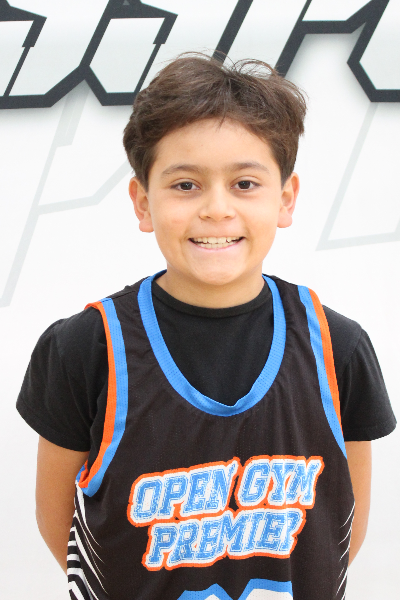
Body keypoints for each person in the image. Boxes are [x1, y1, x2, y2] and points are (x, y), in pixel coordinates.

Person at [17, 53, 396, 600]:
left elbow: (342, 527)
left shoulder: (339, 347)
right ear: (142, 202)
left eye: (245, 183)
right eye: (185, 185)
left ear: (285, 198)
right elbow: (58, 523)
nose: (217, 209)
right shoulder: (84, 348)